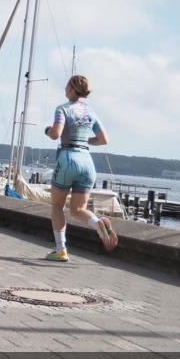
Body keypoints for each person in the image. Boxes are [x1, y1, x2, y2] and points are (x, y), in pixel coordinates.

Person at [43, 74, 118, 261]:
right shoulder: (91, 113)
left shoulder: (63, 109)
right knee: (78, 210)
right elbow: (103, 140)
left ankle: (61, 250)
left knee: (58, 206)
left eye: (66, 86)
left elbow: (56, 134)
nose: (64, 89)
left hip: (68, 158)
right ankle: (97, 222)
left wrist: (47, 130)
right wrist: (85, 140)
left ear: (71, 89)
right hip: (87, 162)